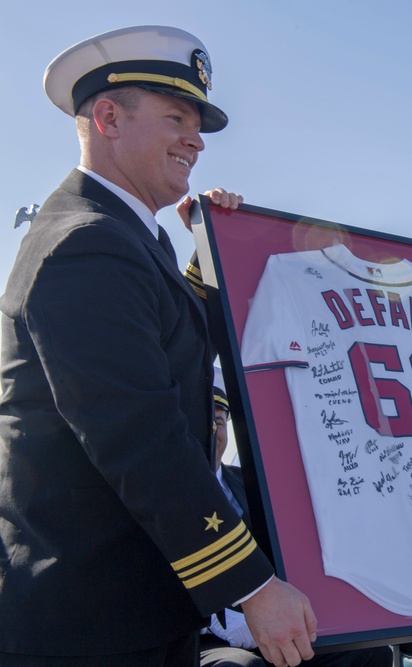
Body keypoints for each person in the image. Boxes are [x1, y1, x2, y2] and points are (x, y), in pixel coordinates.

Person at [0, 26, 315, 666]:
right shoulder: (84, 244)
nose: (196, 140)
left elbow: (170, 346)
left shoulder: (126, 238)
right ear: (109, 117)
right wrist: (252, 584)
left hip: (129, 608)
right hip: (90, 625)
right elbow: (138, 434)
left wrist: (212, 247)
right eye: (176, 117)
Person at [202, 383, 393, 667]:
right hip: (206, 634)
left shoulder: (254, 482)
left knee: (368, 652)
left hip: (273, 621)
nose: (213, 431)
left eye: (219, 422)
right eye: (205, 421)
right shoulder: (164, 493)